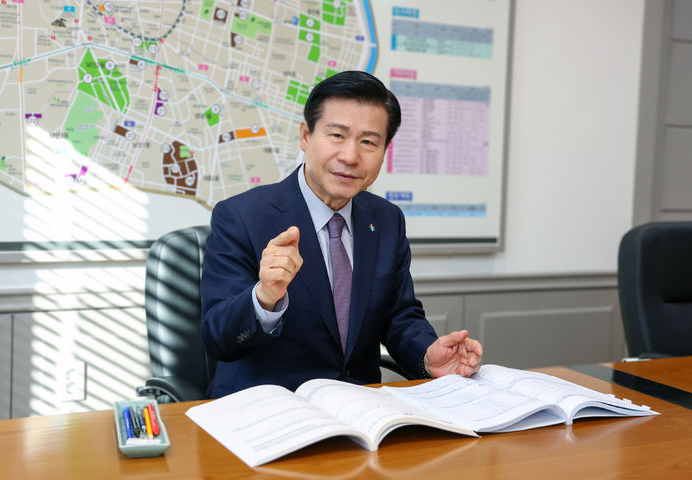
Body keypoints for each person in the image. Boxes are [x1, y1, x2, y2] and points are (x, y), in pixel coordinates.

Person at [200, 70, 482, 397]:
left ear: (385, 150)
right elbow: (217, 339)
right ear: (305, 136)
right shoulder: (241, 217)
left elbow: (399, 316)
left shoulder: (386, 219)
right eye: (337, 135)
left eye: (368, 142)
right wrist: (264, 297)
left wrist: (426, 354)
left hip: (359, 407)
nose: (350, 156)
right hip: (268, 408)